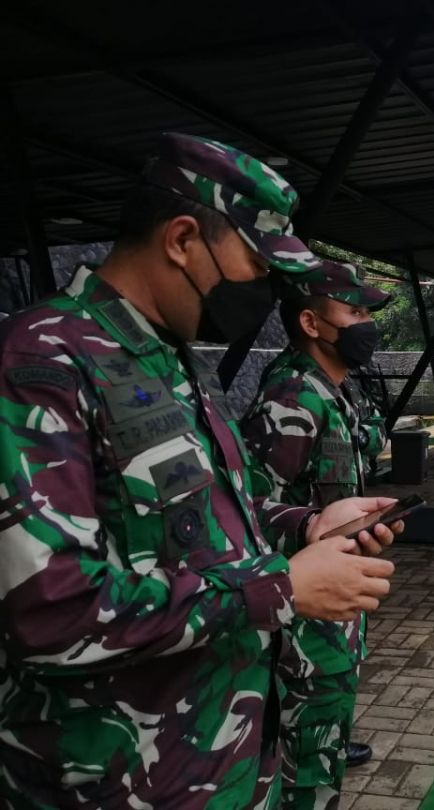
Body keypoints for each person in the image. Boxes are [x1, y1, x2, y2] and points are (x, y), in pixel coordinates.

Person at [0, 133, 400, 808]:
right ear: (183, 238)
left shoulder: (175, 362)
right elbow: (48, 608)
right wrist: (276, 590)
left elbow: (210, 518)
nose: (269, 294)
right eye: (257, 266)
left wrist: (305, 525)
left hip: (225, 765)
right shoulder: (43, 361)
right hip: (119, 783)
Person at [240, 260, 392, 807]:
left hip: (334, 605)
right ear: (310, 322)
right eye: (353, 312)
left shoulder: (335, 387)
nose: (365, 324)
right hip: (302, 622)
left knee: (322, 735)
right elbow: (249, 511)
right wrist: (308, 526)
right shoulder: (290, 398)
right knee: (302, 769)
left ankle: (326, 742)